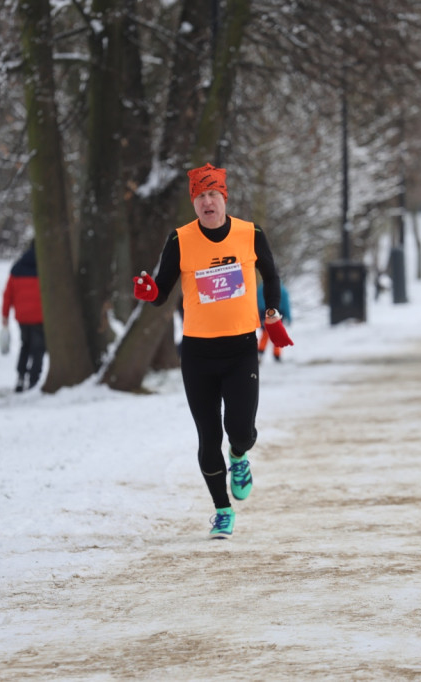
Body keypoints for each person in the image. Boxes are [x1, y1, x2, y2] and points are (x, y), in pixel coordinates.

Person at [132, 163, 292, 539]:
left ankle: (240, 456)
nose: (207, 202)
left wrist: (270, 311)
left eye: (213, 195)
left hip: (240, 350)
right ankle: (222, 510)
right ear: (194, 203)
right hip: (198, 354)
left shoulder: (250, 234)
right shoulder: (180, 240)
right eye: (200, 196)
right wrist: (149, 292)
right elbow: (161, 291)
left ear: (224, 199)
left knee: (241, 430)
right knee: (208, 437)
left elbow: (271, 274)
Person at [2, 243, 46, 392]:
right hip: (39, 315)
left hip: (22, 316)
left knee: (25, 346)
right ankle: (34, 380)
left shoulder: (17, 268)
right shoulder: (44, 267)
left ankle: (21, 377)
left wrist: (5, 315)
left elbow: (8, 295)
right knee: (38, 349)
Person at [257, 280, 291, 362]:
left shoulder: (260, 289)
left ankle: (260, 351)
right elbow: (286, 305)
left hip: (263, 313)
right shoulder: (282, 290)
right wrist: (289, 317)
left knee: (265, 333)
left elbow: (256, 303)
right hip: (277, 313)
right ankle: (277, 355)